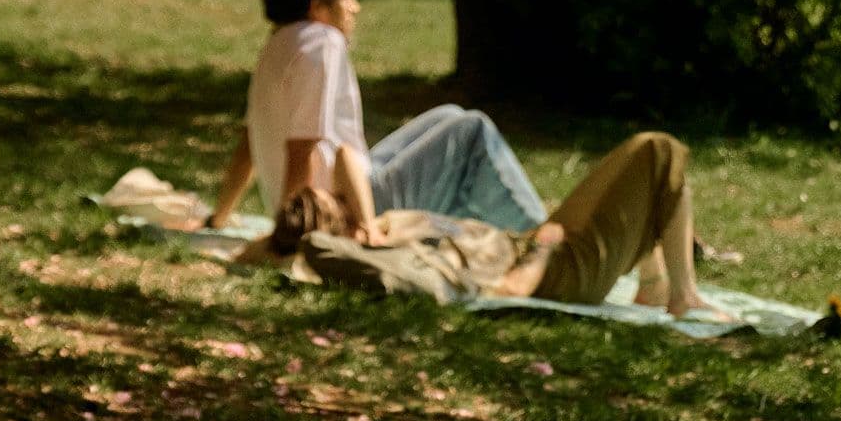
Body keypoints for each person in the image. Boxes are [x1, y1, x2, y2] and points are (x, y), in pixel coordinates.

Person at [203, 0, 546, 242]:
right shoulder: (322, 42)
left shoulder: (277, 43)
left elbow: (249, 144)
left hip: (341, 191)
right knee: (471, 130)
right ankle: (543, 237)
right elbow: (302, 150)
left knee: (450, 116)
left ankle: (493, 237)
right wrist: (290, 235)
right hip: (342, 210)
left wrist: (219, 217)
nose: (355, 7)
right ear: (317, 6)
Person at [274, 128, 730, 321]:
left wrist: (367, 223)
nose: (345, 198)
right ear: (342, 232)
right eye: (339, 205)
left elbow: (344, 157)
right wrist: (544, 249)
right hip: (558, 270)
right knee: (656, 150)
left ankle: (656, 284)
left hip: (540, 247)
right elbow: (507, 290)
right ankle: (682, 297)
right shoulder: (404, 256)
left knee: (649, 176)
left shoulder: (389, 228)